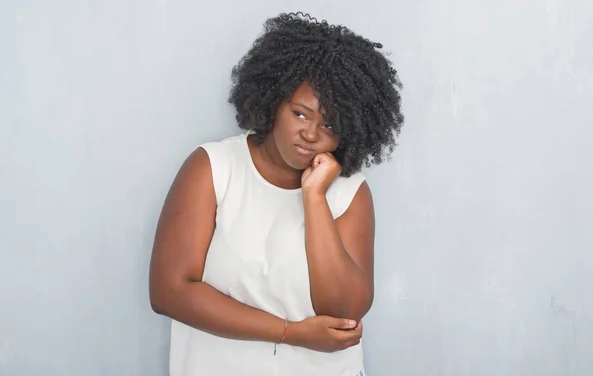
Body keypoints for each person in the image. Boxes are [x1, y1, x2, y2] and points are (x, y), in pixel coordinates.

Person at [149, 11, 404, 376]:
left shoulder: (349, 193)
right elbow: (169, 291)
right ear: (274, 102)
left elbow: (345, 311)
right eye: (300, 114)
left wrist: (314, 198)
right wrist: (291, 333)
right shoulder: (215, 167)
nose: (311, 133)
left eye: (329, 124)